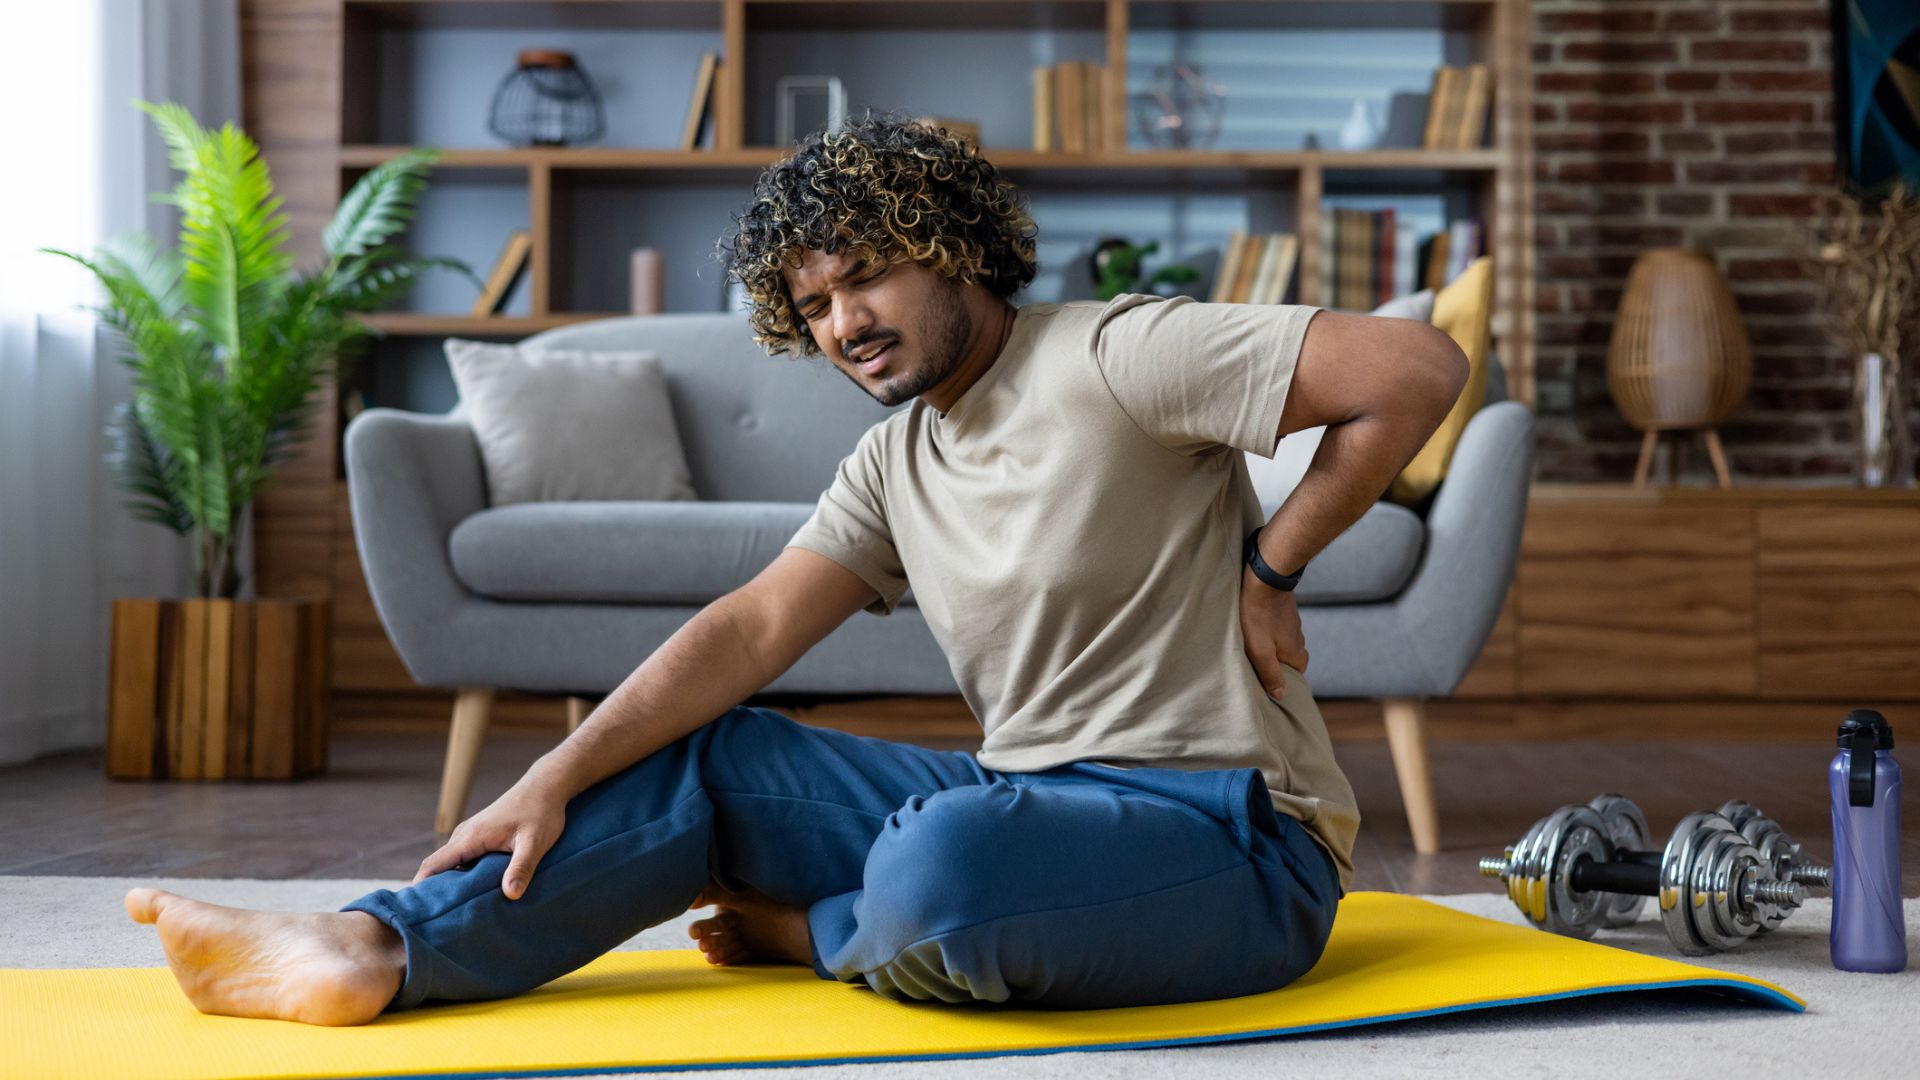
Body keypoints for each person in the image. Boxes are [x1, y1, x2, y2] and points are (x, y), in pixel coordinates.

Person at [123, 110, 1468, 1027]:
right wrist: (548, 777)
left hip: (1235, 843)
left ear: (950, 249)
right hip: (1027, 802)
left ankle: (822, 930)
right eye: (813, 306)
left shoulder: (1120, 354)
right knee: (719, 754)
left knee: (945, 865)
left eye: (864, 280)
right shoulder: (898, 463)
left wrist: (1276, 564)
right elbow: (752, 626)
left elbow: (1416, 372)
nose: (844, 327)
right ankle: (378, 948)